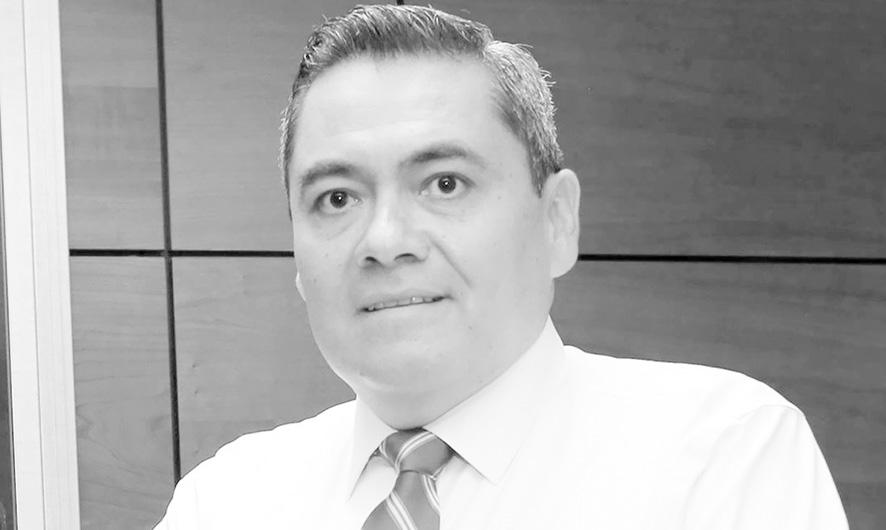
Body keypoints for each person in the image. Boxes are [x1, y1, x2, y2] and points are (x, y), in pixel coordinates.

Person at [155, 5, 848, 529]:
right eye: (337, 198)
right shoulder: (226, 502)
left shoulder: (718, 452)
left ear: (556, 220)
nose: (385, 240)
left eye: (444, 183)